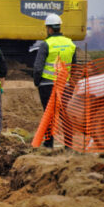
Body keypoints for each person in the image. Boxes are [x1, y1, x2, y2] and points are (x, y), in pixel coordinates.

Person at [33, 13, 77, 148]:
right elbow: (74, 66)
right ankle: (69, 144)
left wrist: (37, 82)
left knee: (49, 114)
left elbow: (38, 67)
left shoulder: (46, 44)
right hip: (65, 85)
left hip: (47, 85)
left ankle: (48, 143)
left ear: (50, 29)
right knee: (65, 115)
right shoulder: (70, 44)